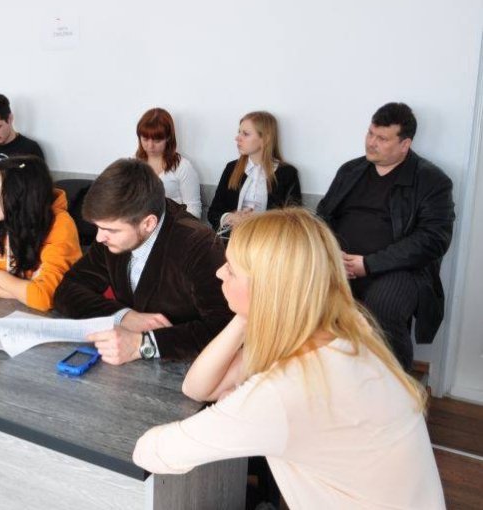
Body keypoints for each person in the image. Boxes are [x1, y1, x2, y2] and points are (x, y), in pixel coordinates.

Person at [133, 208, 445, 509]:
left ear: (268, 289)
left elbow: (152, 452)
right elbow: (198, 388)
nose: (219, 272)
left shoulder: (286, 391)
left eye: (231, 269)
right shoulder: (346, 330)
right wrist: (248, 314)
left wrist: (244, 407)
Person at [52, 158, 232, 364]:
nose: (99, 238)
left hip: (187, 369)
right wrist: (124, 316)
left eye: (110, 230)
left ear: (148, 223)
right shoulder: (113, 233)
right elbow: (67, 290)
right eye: (98, 227)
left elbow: (225, 327)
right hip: (130, 367)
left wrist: (144, 344)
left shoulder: (198, 244)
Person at [316, 103, 454, 370]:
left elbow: (433, 239)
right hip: (338, 263)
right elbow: (323, 217)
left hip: (398, 270)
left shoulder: (432, 181)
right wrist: (331, 253)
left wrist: (369, 264)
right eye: (370, 133)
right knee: (298, 292)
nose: (371, 143)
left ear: (405, 144)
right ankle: (321, 378)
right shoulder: (350, 171)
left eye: (382, 138)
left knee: (383, 307)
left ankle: (396, 386)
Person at [0, 156, 82, 312]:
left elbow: (45, 297)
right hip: (3, 313)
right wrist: (20, 292)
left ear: (18, 196)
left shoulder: (60, 226)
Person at [206, 111, 301, 232]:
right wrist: (231, 218)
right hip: (232, 238)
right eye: (239, 132)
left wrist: (258, 220)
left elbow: (294, 220)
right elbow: (213, 213)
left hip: (267, 240)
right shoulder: (232, 168)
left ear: (265, 139)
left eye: (245, 134)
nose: (237, 138)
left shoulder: (287, 173)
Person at [134, 108, 202, 218]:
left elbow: (194, 211)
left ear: (168, 138)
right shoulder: (134, 165)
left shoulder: (183, 167)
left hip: (173, 225)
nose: (150, 146)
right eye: (145, 139)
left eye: (157, 140)